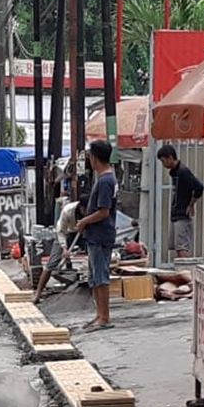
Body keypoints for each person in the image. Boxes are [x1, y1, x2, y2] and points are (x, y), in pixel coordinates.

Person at [74, 140, 118, 331]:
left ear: (94, 157)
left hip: (101, 235)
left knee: (101, 276)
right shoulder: (103, 179)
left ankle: (105, 317)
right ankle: (99, 314)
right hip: (95, 235)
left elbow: (104, 211)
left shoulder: (106, 181)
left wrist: (84, 221)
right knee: (94, 276)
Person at [33, 195, 86, 304]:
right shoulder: (68, 211)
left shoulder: (91, 211)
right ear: (80, 207)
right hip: (65, 232)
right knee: (52, 263)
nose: (86, 212)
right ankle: (37, 293)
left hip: (83, 232)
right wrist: (64, 248)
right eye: (84, 210)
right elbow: (60, 231)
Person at [157, 144, 203, 259]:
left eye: (163, 161)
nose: (163, 165)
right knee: (177, 247)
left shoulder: (183, 172)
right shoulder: (174, 172)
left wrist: (191, 204)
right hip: (176, 214)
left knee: (182, 247)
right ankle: (182, 271)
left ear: (170, 157)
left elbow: (199, 187)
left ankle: (187, 272)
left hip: (182, 214)